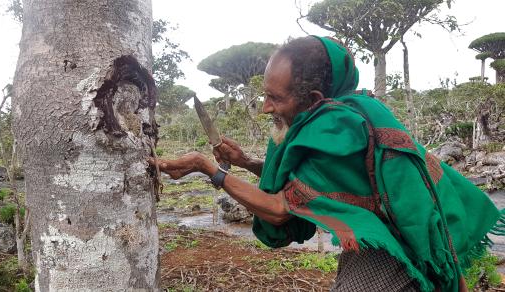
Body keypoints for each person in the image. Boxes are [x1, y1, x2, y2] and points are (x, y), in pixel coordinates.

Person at [148, 36, 503, 291]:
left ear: (314, 99)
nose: (266, 107)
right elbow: (314, 182)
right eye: (264, 95)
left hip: (394, 259)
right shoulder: (354, 112)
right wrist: (245, 162)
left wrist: (208, 168)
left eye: (275, 97)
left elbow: (278, 210)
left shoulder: (331, 132)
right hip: (392, 242)